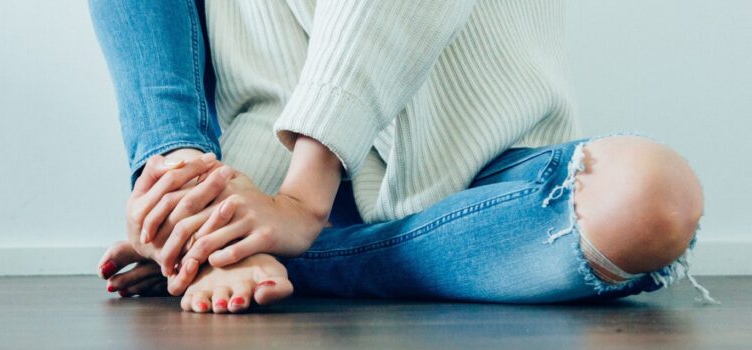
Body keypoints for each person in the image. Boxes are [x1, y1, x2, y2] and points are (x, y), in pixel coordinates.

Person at [89, 0, 714, 313]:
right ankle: (189, 213)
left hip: (480, 170)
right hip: (255, 175)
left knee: (652, 197)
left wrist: (302, 199)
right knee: (181, 187)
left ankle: (287, 257)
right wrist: (181, 189)